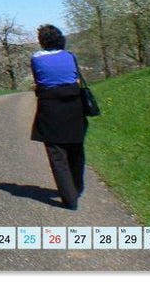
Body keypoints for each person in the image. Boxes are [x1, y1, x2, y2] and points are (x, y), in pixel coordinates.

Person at [29, 24, 88, 210]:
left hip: (50, 108)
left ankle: (69, 198)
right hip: (73, 107)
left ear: (42, 41)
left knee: (57, 155)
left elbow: (39, 80)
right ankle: (77, 187)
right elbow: (76, 79)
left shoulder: (36, 59)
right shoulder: (70, 56)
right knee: (76, 148)